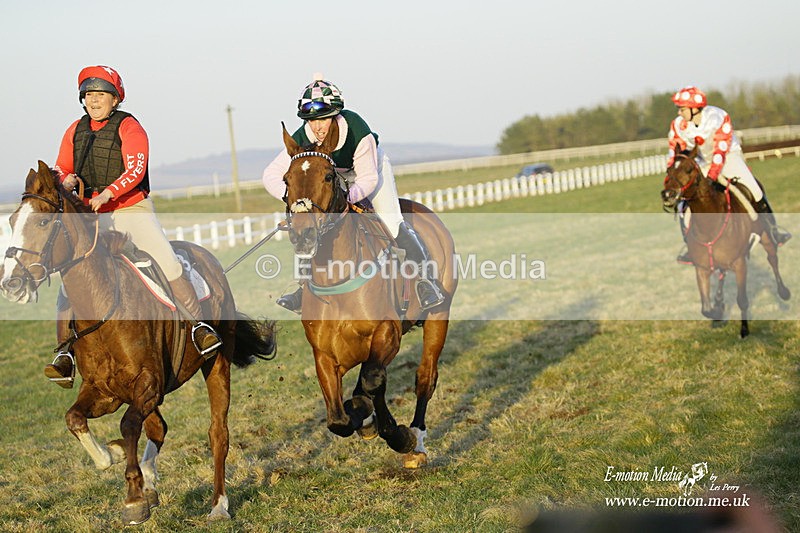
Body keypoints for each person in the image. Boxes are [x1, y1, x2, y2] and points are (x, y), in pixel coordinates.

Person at [43, 65, 222, 388]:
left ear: (115, 99)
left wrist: (109, 193)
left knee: (167, 261)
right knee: (70, 279)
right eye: (89, 94)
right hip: (91, 217)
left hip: (130, 209)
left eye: (101, 94)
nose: (94, 100)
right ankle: (65, 351)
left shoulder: (129, 127)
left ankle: (198, 327)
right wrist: (64, 179)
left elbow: (136, 170)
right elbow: (61, 167)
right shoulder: (74, 130)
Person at [262, 74, 445, 313]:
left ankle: (425, 281)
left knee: (391, 222)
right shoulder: (302, 136)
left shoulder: (357, 129)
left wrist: (344, 199)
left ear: (335, 114)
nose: (317, 127)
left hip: (370, 171)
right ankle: (303, 288)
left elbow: (368, 179)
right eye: (311, 120)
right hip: (333, 179)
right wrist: (298, 203)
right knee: (309, 226)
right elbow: (270, 175)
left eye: (323, 119)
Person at [667, 85, 791, 263]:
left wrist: (712, 176)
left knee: (755, 191)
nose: (679, 113)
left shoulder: (717, 117)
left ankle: (773, 231)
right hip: (701, 161)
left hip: (728, 157)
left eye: (682, 109)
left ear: (695, 109)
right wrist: (671, 174)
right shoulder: (678, 125)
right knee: (683, 204)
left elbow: (720, 150)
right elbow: (675, 151)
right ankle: (690, 247)